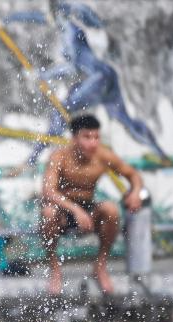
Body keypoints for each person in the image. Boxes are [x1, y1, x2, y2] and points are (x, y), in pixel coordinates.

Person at [0, 2, 170, 167]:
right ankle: (161, 155)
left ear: (56, 12)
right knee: (125, 120)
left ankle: (31, 160)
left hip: (97, 80)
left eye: (49, 13)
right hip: (108, 75)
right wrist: (4, 21)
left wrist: (43, 74)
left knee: (60, 112)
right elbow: (33, 17)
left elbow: (73, 68)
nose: (46, 18)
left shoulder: (69, 32)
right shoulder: (64, 22)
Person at [40, 113, 144, 295]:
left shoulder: (102, 155)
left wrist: (135, 193)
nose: (93, 143)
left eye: (96, 137)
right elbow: (48, 191)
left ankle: (100, 266)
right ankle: (55, 269)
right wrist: (75, 210)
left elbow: (133, 175)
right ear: (74, 138)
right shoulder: (59, 157)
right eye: (87, 137)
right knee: (48, 212)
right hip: (63, 211)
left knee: (111, 209)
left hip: (88, 210)